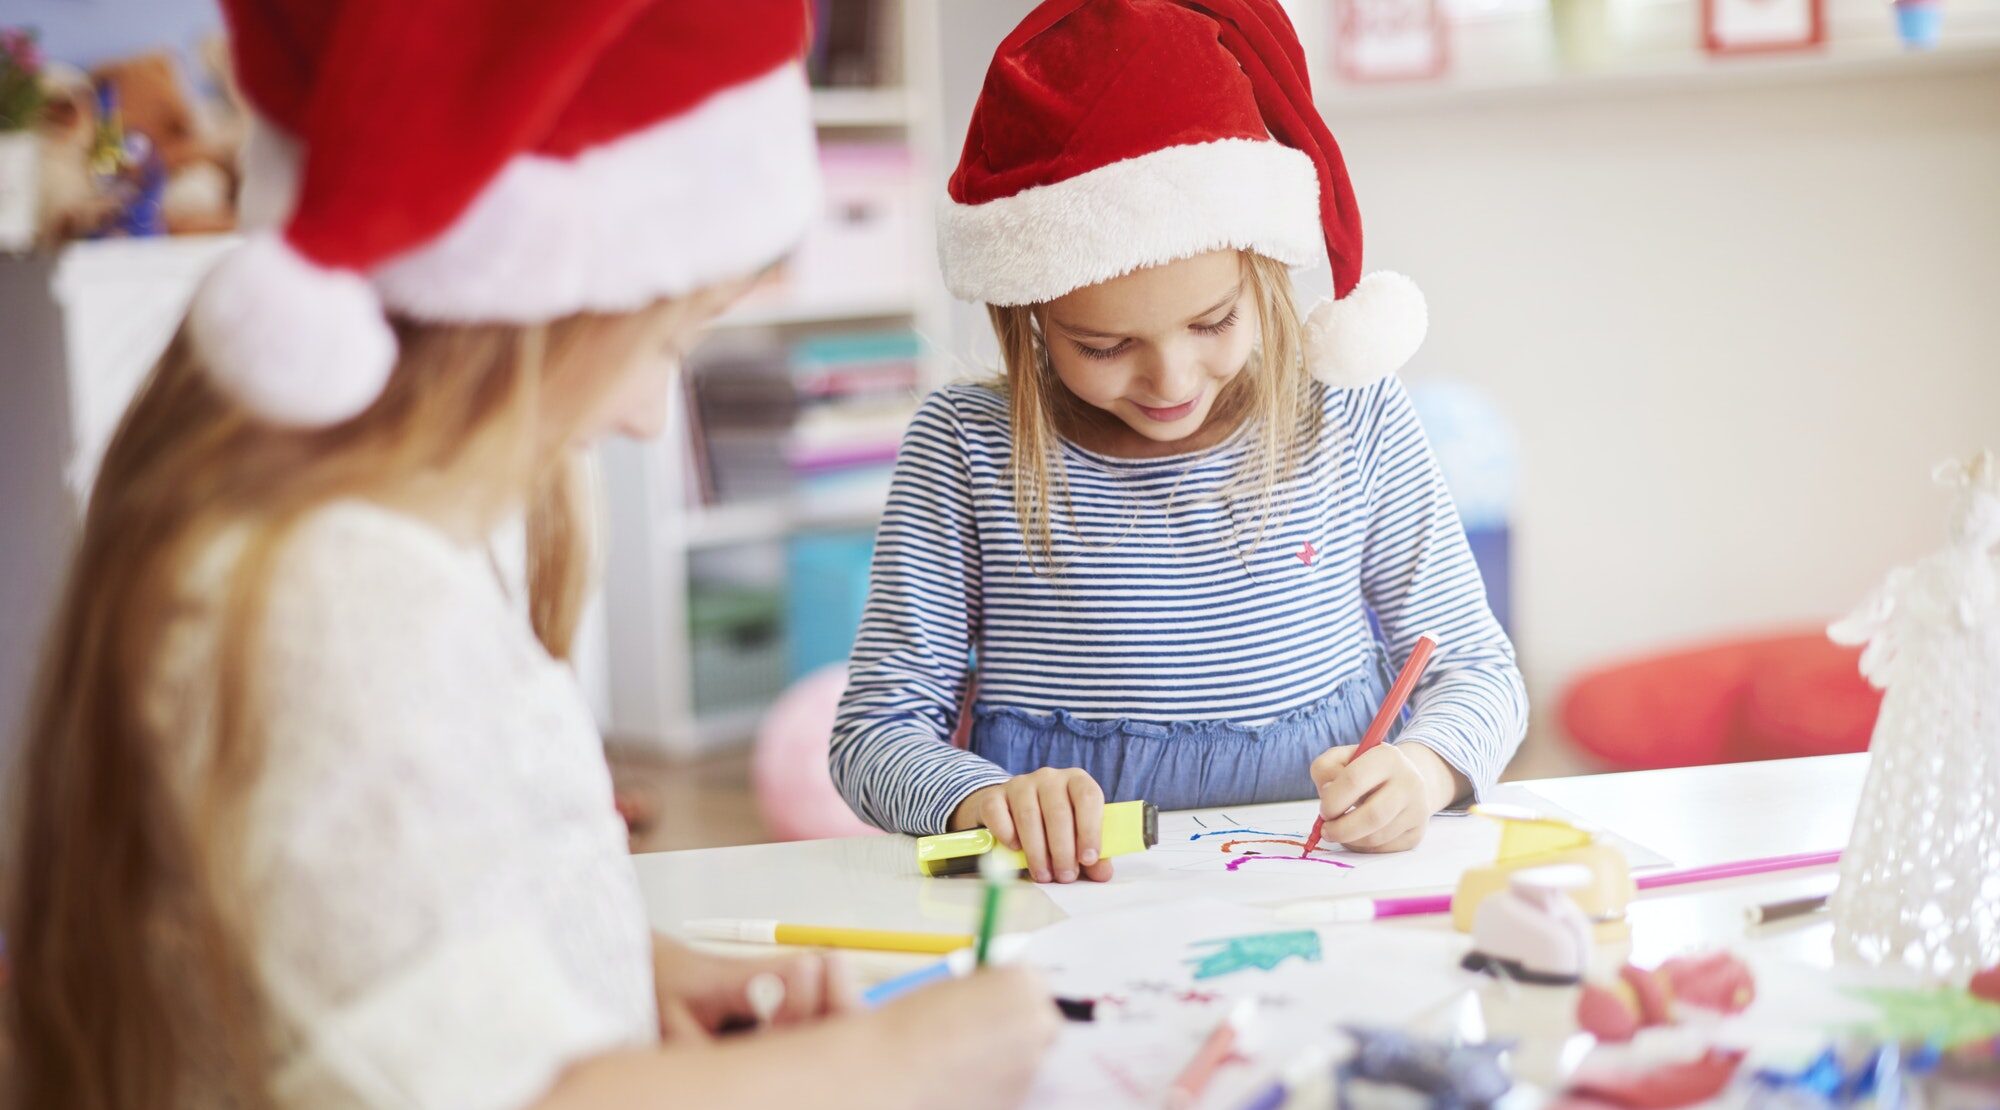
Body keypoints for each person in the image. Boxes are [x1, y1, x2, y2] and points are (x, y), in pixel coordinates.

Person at [3, 2, 1055, 1107]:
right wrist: (892, 1065)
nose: (654, 417)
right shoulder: (337, 607)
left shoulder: (373, 548)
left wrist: (635, 982)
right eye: (661, 343)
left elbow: (401, 938)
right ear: (508, 304)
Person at [829, 0, 1527, 885]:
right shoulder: (966, 449)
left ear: (1263, 268)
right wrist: (978, 799)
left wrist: (1423, 773)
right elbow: (874, 734)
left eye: (1212, 321)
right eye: (1105, 347)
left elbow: (1477, 671)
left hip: (1321, 892)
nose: (1171, 382)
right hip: (1075, 904)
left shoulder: (1354, 413)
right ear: (1027, 313)